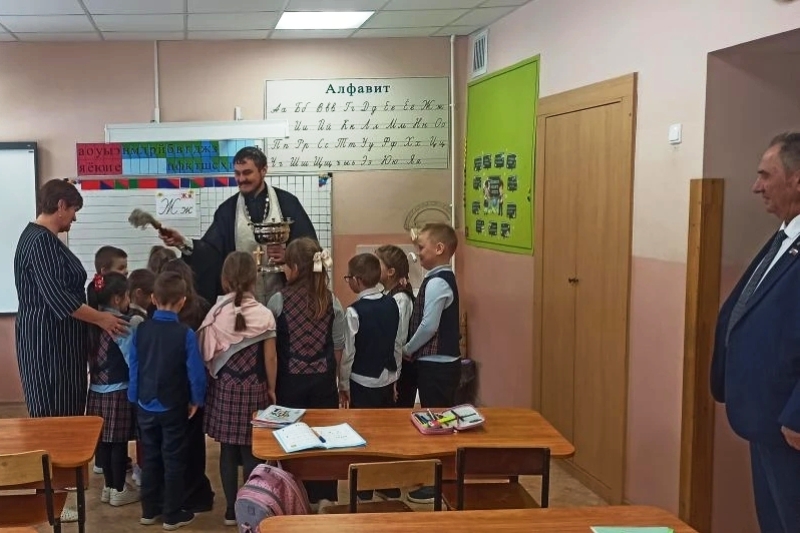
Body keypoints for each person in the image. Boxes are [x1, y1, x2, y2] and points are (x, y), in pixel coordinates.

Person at [13, 179, 127, 523]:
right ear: (61, 205)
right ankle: (55, 500)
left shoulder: (41, 239)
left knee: (62, 419)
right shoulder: (40, 242)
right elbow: (61, 300)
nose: (74, 218)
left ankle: (60, 493)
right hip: (49, 347)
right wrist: (103, 319)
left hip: (58, 344)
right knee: (55, 422)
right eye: (73, 210)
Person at [711, 132, 800, 533]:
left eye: (766, 175)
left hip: (790, 426)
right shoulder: (786, 235)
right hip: (766, 418)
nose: (756, 186)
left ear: (797, 179)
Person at [158, 146, 318, 306]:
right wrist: (182, 242)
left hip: (286, 302)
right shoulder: (227, 211)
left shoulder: (287, 204)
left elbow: (311, 249)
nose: (241, 179)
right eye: (237, 173)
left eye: (247, 173)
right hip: (242, 305)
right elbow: (211, 253)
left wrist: (289, 255)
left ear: (263, 170)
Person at [198, 252, 277, 526]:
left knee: (228, 452)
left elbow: (206, 354)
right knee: (252, 451)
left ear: (225, 279)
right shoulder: (265, 314)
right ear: (254, 279)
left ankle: (231, 511)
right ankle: (251, 509)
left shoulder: (216, 315)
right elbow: (270, 358)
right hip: (255, 388)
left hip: (225, 388)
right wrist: (272, 388)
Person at [266, 237, 345, 506]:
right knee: (324, 439)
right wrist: (335, 379)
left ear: (296, 269)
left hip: (289, 383)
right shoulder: (332, 300)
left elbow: (271, 348)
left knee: (292, 440)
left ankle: (293, 495)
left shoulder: (278, 300)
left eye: (286, 265)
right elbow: (338, 346)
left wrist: (271, 386)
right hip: (323, 382)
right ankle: (325, 496)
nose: (284, 270)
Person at [128, 271, 206, 530]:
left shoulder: (141, 329)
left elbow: (134, 366)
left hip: (145, 403)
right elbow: (195, 372)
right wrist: (196, 399)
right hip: (173, 405)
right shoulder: (185, 333)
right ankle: (172, 515)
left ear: (153, 298)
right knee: (173, 459)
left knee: (150, 458)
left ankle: (149, 511)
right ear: (182, 301)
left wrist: (134, 396)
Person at [402, 222, 461, 505]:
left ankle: (439, 483)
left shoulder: (438, 282)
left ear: (439, 249)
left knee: (438, 425)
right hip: (438, 363)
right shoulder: (438, 278)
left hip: (437, 365)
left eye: (421, 247)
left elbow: (429, 326)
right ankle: (439, 478)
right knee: (438, 421)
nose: (418, 253)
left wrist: (408, 349)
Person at [154, 258, 215, 514]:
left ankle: (166, 496)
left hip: (162, 388)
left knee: (166, 445)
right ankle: (195, 494)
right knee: (193, 444)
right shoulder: (202, 307)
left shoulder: (155, 313)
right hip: (193, 387)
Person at [340, 253, 401, 502]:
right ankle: (387, 484)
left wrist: (343, 384)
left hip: (362, 380)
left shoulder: (354, 312)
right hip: (387, 377)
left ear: (357, 280)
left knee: (363, 434)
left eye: (348, 278)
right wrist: (396, 377)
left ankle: (364, 488)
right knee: (386, 434)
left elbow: (348, 354)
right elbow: (396, 343)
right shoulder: (392, 303)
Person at [85, 272, 139, 507]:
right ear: (117, 299)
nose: (129, 301)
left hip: (96, 391)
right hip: (118, 391)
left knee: (105, 443)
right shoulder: (120, 324)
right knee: (118, 443)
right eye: (127, 296)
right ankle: (119, 489)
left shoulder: (91, 322)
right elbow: (131, 360)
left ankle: (108, 487)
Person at [374, 245, 415, 408]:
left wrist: (394, 376)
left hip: (400, 370)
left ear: (391, 272)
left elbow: (398, 340)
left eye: (377, 264)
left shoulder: (400, 299)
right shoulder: (386, 294)